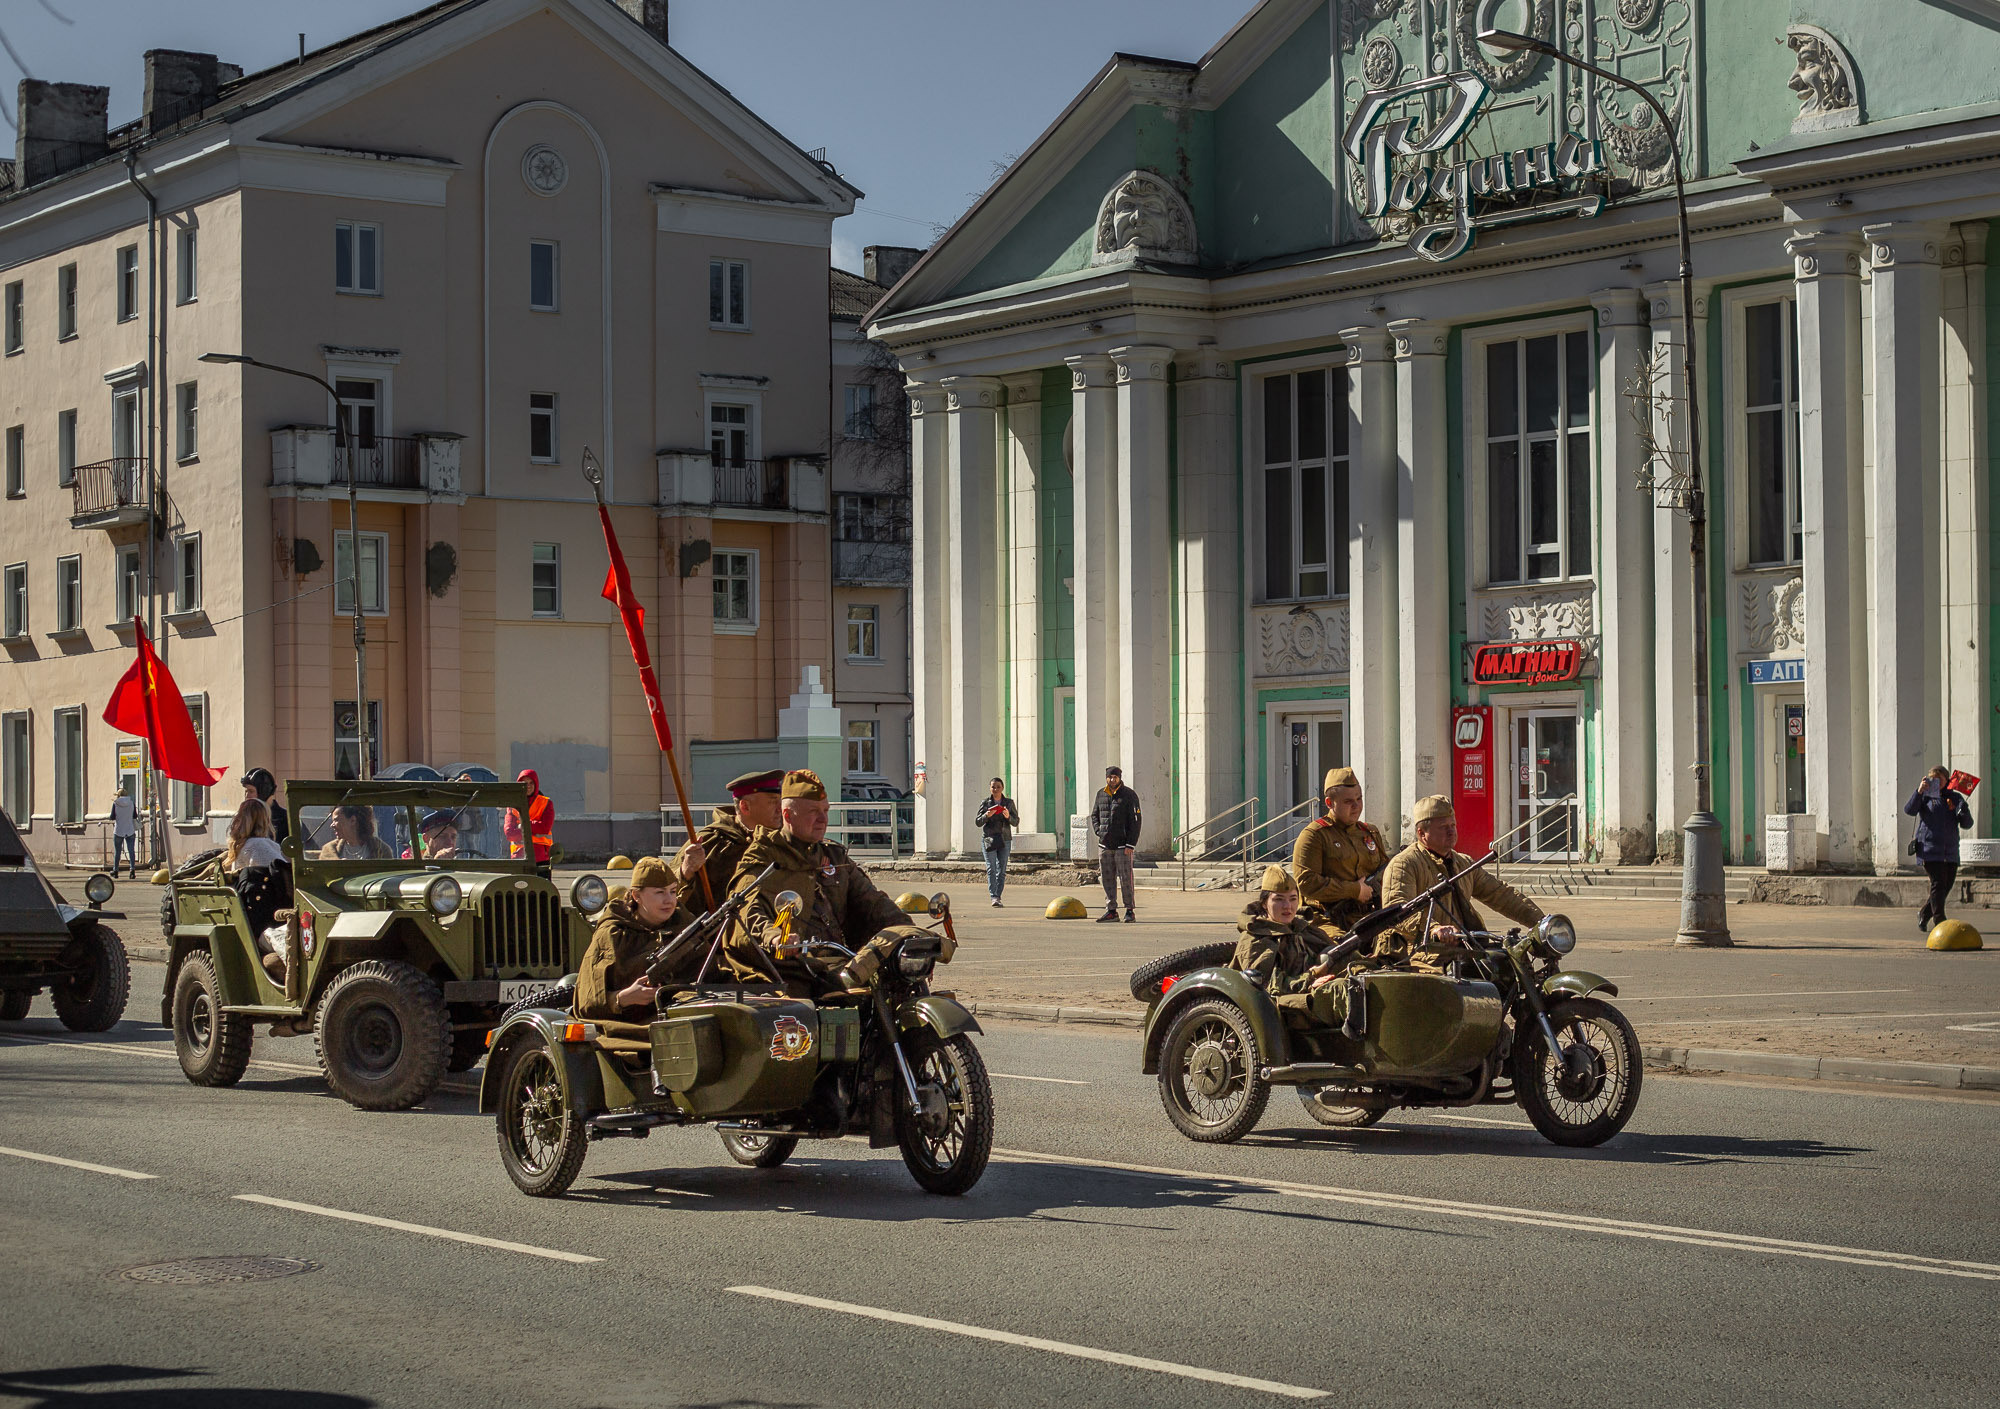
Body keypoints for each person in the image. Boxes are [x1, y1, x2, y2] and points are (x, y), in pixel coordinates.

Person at [727, 769, 908, 997]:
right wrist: (772, 936)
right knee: (801, 1011)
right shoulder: (763, 858)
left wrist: (907, 931)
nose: (823, 819)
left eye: (825, 811)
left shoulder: (834, 856)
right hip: (790, 967)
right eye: (813, 812)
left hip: (844, 960)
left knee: (901, 983)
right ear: (788, 815)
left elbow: (872, 901)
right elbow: (747, 909)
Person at [1380, 795, 1543, 968]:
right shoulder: (1405, 863)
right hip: (1425, 956)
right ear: (1421, 833)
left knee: (1513, 969)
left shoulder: (1463, 862)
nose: (1451, 831)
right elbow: (1396, 910)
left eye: (1453, 825)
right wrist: (1434, 929)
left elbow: (1500, 894)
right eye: (1443, 827)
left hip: (1468, 949)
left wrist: (1541, 921)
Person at [574, 856, 699, 1022]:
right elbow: (585, 1003)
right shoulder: (613, 934)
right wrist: (623, 998)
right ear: (636, 896)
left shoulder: (684, 924)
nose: (669, 900)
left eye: (673, 891)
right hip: (627, 1028)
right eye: (659, 892)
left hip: (681, 1016)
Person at [1292, 766, 1387, 932]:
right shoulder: (1314, 835)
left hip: (1369, 914)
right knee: (1343, 952)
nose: (1356, 806)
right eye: (1348, 802)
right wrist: (1354, 890)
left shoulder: (1370, 832)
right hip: (1328, 919)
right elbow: (1307, 883)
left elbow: (1386, 872)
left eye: (1359, 799)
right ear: (1329, 803)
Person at [675, 768, 783, 909]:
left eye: (780, 802)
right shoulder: (711, 842)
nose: (780, 809)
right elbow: (664, 892)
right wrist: (686, 872)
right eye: (772, 802)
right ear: (745, 806)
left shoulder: (783, 841)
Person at [225, 799, 290, 976]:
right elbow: (281, 874)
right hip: (268, 913)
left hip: (252, 914)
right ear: (264, 820)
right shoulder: (263, 845)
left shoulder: (242, 847)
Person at [1908, 766, 1975, 932]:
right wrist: (1919, 792)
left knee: (1947, 885)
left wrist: (1961, 810)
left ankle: (1924, 913)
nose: (1936, 783)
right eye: (1933, 780)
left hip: (1950, 850)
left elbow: (1967, 824)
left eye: (1939, 780)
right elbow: (1910, 810)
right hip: (1929, 849)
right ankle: (1940, 920)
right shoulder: (1925, 797)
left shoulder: (1955, 798)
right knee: (1938, 883)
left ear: (1947, 780)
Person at [1092, 765, 1142, 923]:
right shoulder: (1101, 794)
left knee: (1126, 879)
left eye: (1115, 777)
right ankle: (1111, 910)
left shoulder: (1129, 795)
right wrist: (1099, 832)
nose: (1112, 779)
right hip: (1105, 846)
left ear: (1119, 778)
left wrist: (1130, 844)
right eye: (1110, 777)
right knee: (1107, 878)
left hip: (1123, 847)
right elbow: (1094, 815)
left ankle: (1129, 910)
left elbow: (1136, 821)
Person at [975, 777, 1019, 907]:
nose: (995, 789)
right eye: (993, 787)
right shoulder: (986, 803)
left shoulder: (1009, 803)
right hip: (989, 839)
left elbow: (1016, 822)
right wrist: (986, 816)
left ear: (1002, 788)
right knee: (991, 868)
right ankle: (993, 896)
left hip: (1005, 839)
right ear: (990, 788)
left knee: (1002, 869)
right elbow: (977, 821)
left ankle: (998, 896)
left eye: (998, 787)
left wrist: (1008, 816)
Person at [504, 768, 555, 863]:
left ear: (536, 784)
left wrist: (522, 825)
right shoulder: (513, 805)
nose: (528, 786)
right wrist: (534, 828)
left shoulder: (546, 803)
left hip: (541, 858)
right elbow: (509, 833)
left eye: (531, 783)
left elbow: (545, 828)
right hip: (518, 857)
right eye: (524, 783)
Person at [318, 804, 394, 861]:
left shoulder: (381, 850)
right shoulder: (329, 850)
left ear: (352, 820)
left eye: (336, 820)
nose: (332, 825)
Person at [241, 768, 289, 844]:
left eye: (251, 791)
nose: (247, 796)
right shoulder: (246, 817)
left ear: (264, 792)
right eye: (246, 791)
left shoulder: (285, 819)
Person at [109, 783, 139, 879]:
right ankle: (132, 870)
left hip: (118, 829)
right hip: (130, 829)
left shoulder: (116, 803)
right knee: (131, 850)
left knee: (117, 851)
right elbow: (135, 816)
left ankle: (116, 870)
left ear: (118, 795)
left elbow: (112, 817)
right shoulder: (131, 803)